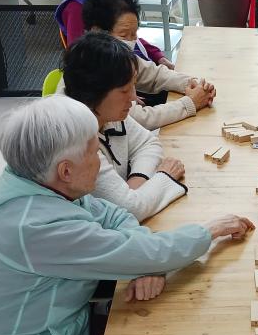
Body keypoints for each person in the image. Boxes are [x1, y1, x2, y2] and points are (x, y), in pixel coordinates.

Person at [0, 95, 255, 335]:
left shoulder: (46, 185)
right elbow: (143, 249)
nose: (101, 164)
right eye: (93, 153)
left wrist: (146, 264)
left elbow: (115, 216)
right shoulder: (36, 227)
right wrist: (209, 230)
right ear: (65, 170)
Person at [62, 32, 187, 221]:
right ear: (94, 91)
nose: (133, 97)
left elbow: (148, 143)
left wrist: (136, 181)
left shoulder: (104, 111)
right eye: (124, 91)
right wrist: (164, 176)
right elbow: (130, 211)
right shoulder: (76, 141)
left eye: (133, 86)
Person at [81, 0, 216, 128]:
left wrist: (192, 84)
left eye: (134, 34)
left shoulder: (118, 57)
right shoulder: (94, 69)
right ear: (97, 32)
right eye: (123, 35)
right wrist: (190, 103)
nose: (131, 41)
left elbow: (155, 75)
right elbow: (138, 119)